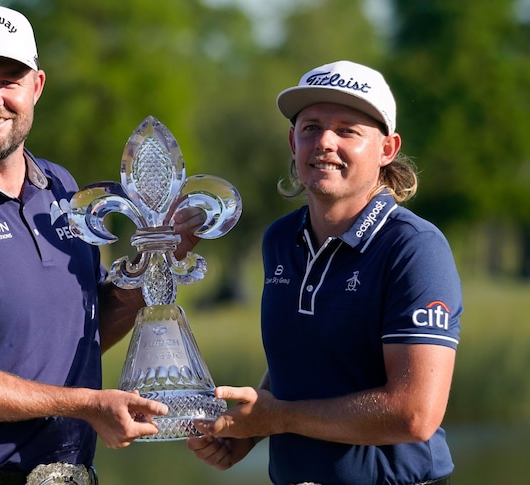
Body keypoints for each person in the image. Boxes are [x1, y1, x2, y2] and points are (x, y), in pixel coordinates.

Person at [0, 5, 205, 485]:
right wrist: (87, 404)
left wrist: (158, 258)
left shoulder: (64, 192)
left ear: (37, 87)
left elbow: (82, 336)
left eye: (9, 80)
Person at [187, 60, 462, 485]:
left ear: (387, 149)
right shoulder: (280, 238)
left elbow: (414, 414)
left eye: (347, 130)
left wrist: (276, 418)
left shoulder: (414, 248)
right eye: (311, 127)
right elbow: (300, 358)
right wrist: (251, 430)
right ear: (292, 141)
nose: (324, 142)